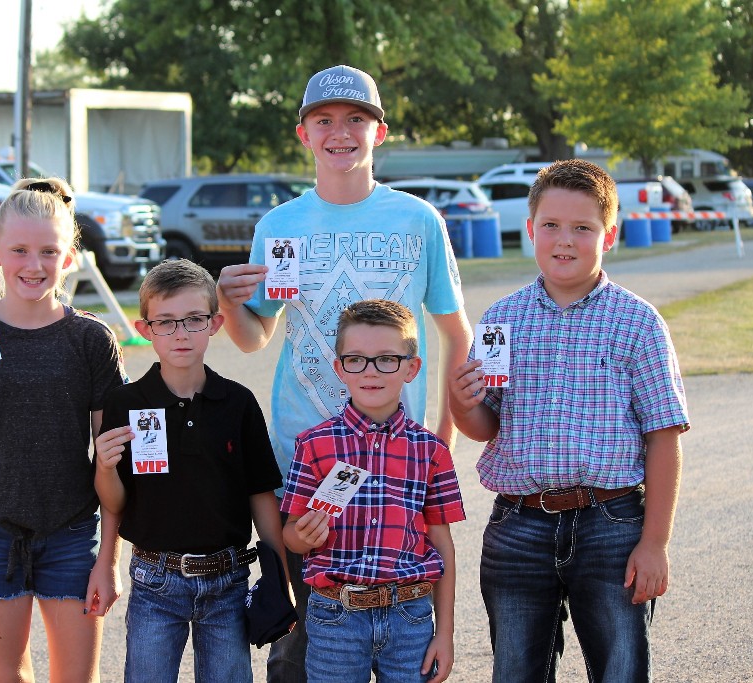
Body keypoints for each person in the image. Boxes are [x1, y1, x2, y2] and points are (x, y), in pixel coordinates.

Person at [216, 63, 472, 683]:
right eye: (324, 120)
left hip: (397, 461)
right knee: (302, 644)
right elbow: (256, 336)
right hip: (304, 458)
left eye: (356, 119)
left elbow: (455, 334)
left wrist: (441, 439)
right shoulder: (280, 226)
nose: (340, 132)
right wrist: (227, 300)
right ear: (303, 134)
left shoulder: (418, 221)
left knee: (399, 632)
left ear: (379, 132)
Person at [448, 159, 690, 682]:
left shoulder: (638, 322)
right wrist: (463, 404)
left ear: (610, 235)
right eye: (551, 225)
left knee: (620, 668)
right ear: (530, 229)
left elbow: (664, 436)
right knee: (516, 669)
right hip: (519, 525)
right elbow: (487, 425)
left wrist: (654, 543)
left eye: (583, 227)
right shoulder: (502, 319)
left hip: (612, 523)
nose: (564, 240)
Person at [0, 177, 128, 682]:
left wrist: (109, 559)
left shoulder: (91, 340)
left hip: (72, 531)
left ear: (70, 256)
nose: (34, 265)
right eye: (19, 250)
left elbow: (112, 465)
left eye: (48, 251)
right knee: (5, 675)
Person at [93, 259, 288, 683]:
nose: (180, 333)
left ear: (215, 323)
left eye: (194, 319)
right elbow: (114, 502)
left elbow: (260, 492)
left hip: (228, 580)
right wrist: (105, 468)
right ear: (145, 329)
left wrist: (281, 576)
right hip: (154, 580)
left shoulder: (238, 403)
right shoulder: (125, 404)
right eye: (165, 322)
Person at [281, 299, 465, 683]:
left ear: (411, 368)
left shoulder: (431, 451)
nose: (370, 371)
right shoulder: (314, 445)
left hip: (410, 616)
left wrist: (445, 633)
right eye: (356, 359)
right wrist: (302, 536)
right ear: (339, 368)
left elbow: (442, 545)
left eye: (386, 359)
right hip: (335, 617)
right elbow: (291, 535)